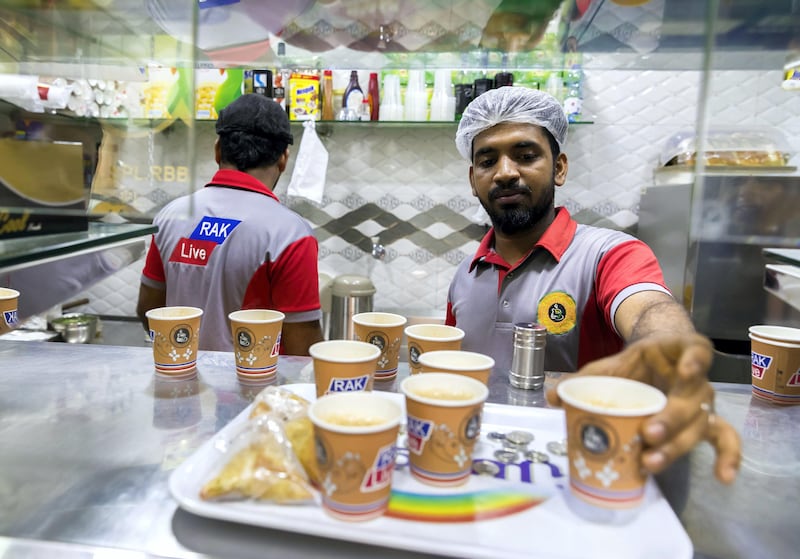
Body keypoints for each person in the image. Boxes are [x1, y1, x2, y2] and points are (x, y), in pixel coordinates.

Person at [446, 86, 741, 484]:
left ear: (560, 167)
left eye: (526, 155)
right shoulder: (465, 274)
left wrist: (667, 350)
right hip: (479, 469)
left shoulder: (609, 253)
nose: (505, 172)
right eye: (487, 160)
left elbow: (649, 307)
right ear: (473, 178)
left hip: (584, 470)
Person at [137, 94, 323, 355]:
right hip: (253, 390)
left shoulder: (171, 216)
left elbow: (148, 309)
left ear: (217, 150)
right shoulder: (290, 234)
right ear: (283, 158)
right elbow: (302, 348)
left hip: (179, 380)